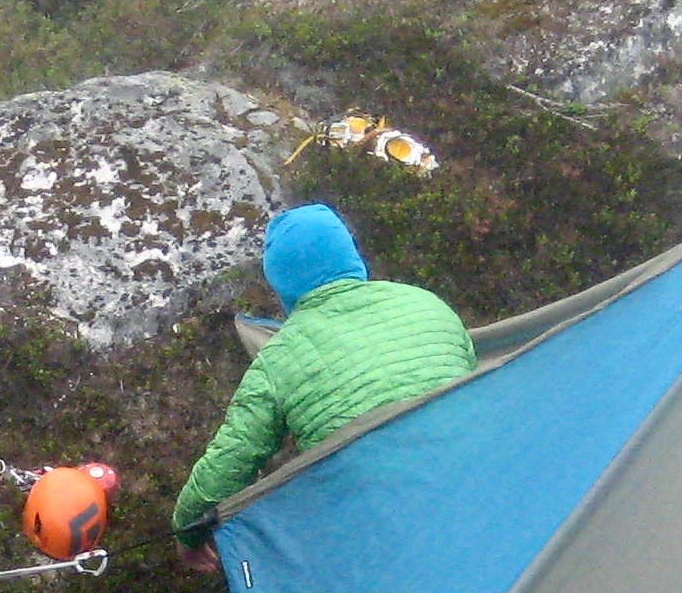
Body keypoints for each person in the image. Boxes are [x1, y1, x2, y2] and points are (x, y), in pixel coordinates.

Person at [171, 204, 474, 566]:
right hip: (473, 481)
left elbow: (227, 464)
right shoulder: (426, 303)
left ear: (281, 283)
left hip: (382, 529)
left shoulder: (277, 360)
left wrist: (187, 534)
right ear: (350, 254)